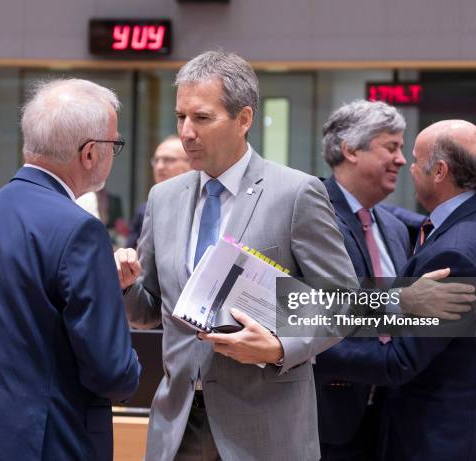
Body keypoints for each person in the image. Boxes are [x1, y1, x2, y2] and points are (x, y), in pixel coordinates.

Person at [116, 50, 356, 461]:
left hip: (264, 428)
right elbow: (152, 309)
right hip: (179, 423)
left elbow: (343, 301)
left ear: (244, 120)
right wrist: (125, 287)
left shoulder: (295, 193)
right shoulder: (164, 197)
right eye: (180, 117)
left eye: (202, 118)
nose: (186, 132)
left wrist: (280, 347)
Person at [0, 79, 140, 460]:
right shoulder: (81, 230)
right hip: (45, 444)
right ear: (90, 153)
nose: (115, 153)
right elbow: (111, 372)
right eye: (114, 144)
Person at [315, 120, 476, 461]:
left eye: (412, 157)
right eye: (391, 148)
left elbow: (398, 362)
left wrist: (303, 348)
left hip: (434, 439)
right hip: (467, 427)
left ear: (439, 171)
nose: (406, 166)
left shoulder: (454, 255)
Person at [315, 100, 411, 460]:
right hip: (326, 422)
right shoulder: (310, 215)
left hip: (390, 418)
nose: (401, 160)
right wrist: (390, 361)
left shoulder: (395, 229)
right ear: (351, 150)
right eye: (391, 147)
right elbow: (296, 318)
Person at [126, 134, 190, 249]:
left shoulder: (202, 204)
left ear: (190, 163)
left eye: (169, 160)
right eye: (156, 160)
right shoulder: (145, 211)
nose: (159, 166)